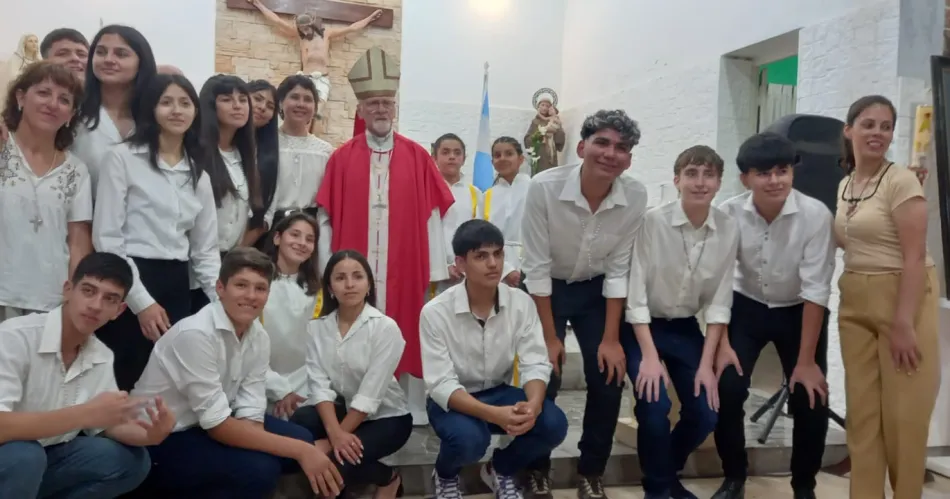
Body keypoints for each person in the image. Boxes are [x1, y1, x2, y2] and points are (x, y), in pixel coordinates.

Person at [131, 248, 344, 498]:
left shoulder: (258, 336)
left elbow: (250, 409)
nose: (251, 296)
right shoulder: (196, 334)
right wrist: (301, 451)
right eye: (241, 285)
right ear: (220, 288)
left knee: (300, 439)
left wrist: (286, 447)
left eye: (260, 288)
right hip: (163, 437)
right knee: (262, 469)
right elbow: (217, 425)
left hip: (205, 424)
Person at [315, 47, 455, 427]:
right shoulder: (341, 157)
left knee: (407, 326)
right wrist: (326, 269)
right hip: (354, 267)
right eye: (372, 103)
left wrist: (435, 270)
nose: (380, 109)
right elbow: (326, 217)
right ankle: (354, 402)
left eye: (386, 103)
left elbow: (432, 215)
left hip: (404, 266)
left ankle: (409, 405)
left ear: (394, 107)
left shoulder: (417, 156)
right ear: (360, 109)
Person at [521, 109, 646, 499]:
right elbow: (536, 268)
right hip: (547, 289)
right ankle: (536, 467)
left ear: (629, 159)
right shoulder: (544, 187)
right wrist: (549, 338)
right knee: (545, 375)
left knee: (609, 378)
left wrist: (611, 339)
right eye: (602, 143)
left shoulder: (635, 195)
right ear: (581, 147)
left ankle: (592, 470)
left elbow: (619, 269)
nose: (610, 153)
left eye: (621, 148)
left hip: (597, 291)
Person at [712, 132, 835, 499]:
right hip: (745, 305)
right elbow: (719, 279)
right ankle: (733, 477)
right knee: (728, 389)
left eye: (782, 170)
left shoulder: (815, 215)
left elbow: (817, 289)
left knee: (810, 396)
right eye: (763, 173)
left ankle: (804, 486)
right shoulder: (729, 213)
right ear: (745, 178)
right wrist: (720, 342)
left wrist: (807, 362)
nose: (775, 180)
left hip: (799, 310)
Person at [0, 252, 175, 499]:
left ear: (119, 310)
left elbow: (106, 426)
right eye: (88, 291)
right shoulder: (14, 337)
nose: (96, 305)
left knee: (131, 460)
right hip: (13, 455)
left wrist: (151, 435)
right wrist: (85, 414)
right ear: (68, 290)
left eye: (110, 299)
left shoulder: (101, 355)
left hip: (44, 456)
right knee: (25, 456)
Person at [835, 95, 939, 499]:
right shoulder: (846, 185)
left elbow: (914, 256)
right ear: (849, 131)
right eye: (868, 124)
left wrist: (903, 322)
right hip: (854, 300)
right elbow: (850, 241)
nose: (877, 133)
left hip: (901, 296)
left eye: (885, 126)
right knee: (862, 416)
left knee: (903, 418)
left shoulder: (901, 181)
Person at [422, 219, 568, 499]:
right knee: (469, 440)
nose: (493, 264)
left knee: (553, 424)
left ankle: (500, 469)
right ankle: (445, 475)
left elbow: (535, 362)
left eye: (498, 254)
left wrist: (534, 405)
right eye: (481, 256)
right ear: (461, 264)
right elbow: (440, 383)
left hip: (499, 392)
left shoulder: (520, 303)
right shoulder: (435, 312)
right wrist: (494, 415)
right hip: (453, 400)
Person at [623, 146, 738, 499]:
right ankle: (659, 490)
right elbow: (635, 295)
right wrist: (650, 357)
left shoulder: (727, 228)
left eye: (708, 175)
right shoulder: (653, 222)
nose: (700, 182)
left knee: (706, 411)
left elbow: (719, 302)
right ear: (677, 180)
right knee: (654, 404)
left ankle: (666, 472)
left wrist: (706, 364)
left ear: (719, 182)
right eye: (691, 174)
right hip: (642, 327)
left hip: (686, 328)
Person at [93, 73, 220, 391]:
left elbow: (205, 250)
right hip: (127, 278)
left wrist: (222, 302)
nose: (176, 110)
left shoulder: (198, 173)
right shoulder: (122, 158)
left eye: (185, 103)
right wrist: (141, 302)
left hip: (176, 284)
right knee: (122, 375)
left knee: (165, 381)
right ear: (151, 108)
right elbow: (107, 238)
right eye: (166, 102)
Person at [291, 249, 412, 499]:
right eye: (340, 278)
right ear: (330, 288)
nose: (349, 284)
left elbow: (370, 394)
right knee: (300, 423)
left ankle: (388, 479)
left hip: (387, 418)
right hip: (344, 409)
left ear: (368, 285)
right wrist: (336, 433)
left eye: (357, 276)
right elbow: (319, 386)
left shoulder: (385, 328)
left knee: (334, 462)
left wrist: (331, 442)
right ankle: (369, 478)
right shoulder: (318, 328)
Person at [0, 61, 93, 322]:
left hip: (50, 300)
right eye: (43, 93)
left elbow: (78, 242)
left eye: (64, 100)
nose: (52, 104)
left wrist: (74, 297)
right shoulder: (2, 150)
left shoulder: (76, 171)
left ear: (71, 114)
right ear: (20, 98)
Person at [247, 0, 382, 133]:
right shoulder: (301, 37)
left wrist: (370, 18)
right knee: (304, 112)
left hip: (321, 78)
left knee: (318, 113)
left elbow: (351, 28)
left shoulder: (326, 34)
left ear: (312, 25)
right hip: (305, 78)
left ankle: (311, 137)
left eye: (306, 28)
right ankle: (301, 136)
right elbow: (277, 21)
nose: (304, 31)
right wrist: (258, 4)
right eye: (301, 29)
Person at [189, 74, 263, 313]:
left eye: (242, 99)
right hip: (194, 269)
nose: (237, 105)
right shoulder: (195, 153)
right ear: (210, 106)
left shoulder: (245, 155)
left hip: (227, 266)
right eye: (227, 99)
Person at [72, 25, 158, 191]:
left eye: (121, 54)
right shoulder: (74, 112)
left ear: (141, 62)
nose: (109, 60)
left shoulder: (156, 116)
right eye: (101, 52)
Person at [260, 212, 322, 418]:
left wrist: (294, 391)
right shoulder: (257, 284)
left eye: (309, 239)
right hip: (259, 380)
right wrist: (279, 389)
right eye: (295, 235)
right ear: (277, 238)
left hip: (304, 385)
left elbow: (318, 349)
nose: (302, 243)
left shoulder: (318, 291)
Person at [265, 74, 333, 229]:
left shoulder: (325, 152)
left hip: (310, 229)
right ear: (281, 102)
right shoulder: (265, 144)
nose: (301, 104)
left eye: (308, 99)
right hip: (270, 227)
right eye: (294, 97)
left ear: (315, 108)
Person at [430, 133, 482, 295]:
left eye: (457, 153)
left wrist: (462, 265)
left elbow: (478, 235)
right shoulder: (426, 190)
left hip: (464, 272)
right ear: (434, 157)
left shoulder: (475, 193)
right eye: (445, 152)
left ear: (464, 158)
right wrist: (441, 267)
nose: (452, 157)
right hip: (432, 274)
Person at [485, 137, 531, 287]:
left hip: (532, 265)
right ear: (492, 162)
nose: (502, 158)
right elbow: (483, 237)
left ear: (521, 159)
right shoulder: (487, 196)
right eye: (497, 155)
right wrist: (506, 270)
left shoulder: (534, 188)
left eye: (509, 154)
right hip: (497, 267)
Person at [247, 79, 280, 247]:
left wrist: (239, 248)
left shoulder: (270, 154)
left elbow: (269, 208)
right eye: (257, 99)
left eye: (270, 106)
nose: (262, 107)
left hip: (247, 242)